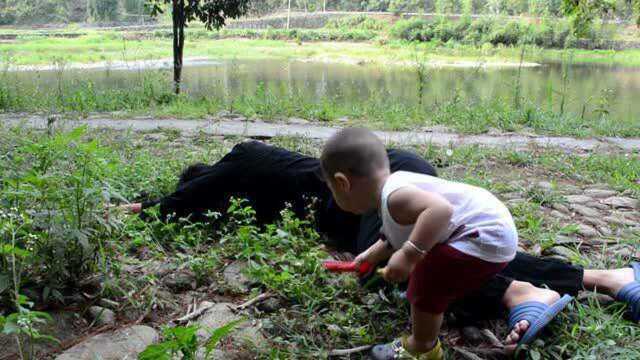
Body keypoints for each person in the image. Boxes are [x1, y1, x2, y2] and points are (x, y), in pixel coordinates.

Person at [118, 139, 639, 354]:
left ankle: (517, 290)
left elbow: (183, 200)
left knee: (403, 263)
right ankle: (606, 279)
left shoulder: (241, 158)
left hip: (390, 186)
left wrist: (140, 209)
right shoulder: (265, 172)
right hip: (398, 174)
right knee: (442, 249)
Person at [319, 127, 562, 359]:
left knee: (426, 280)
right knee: (440, 276)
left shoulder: (395, 197)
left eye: (332, 189)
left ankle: (422, 347)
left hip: (483, 235)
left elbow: (440, 210)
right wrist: (370, 256)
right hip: (490, 229)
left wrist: (410, 255)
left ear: (343, 183)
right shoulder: (396, 186)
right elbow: (394, 235)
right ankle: (524, 293)